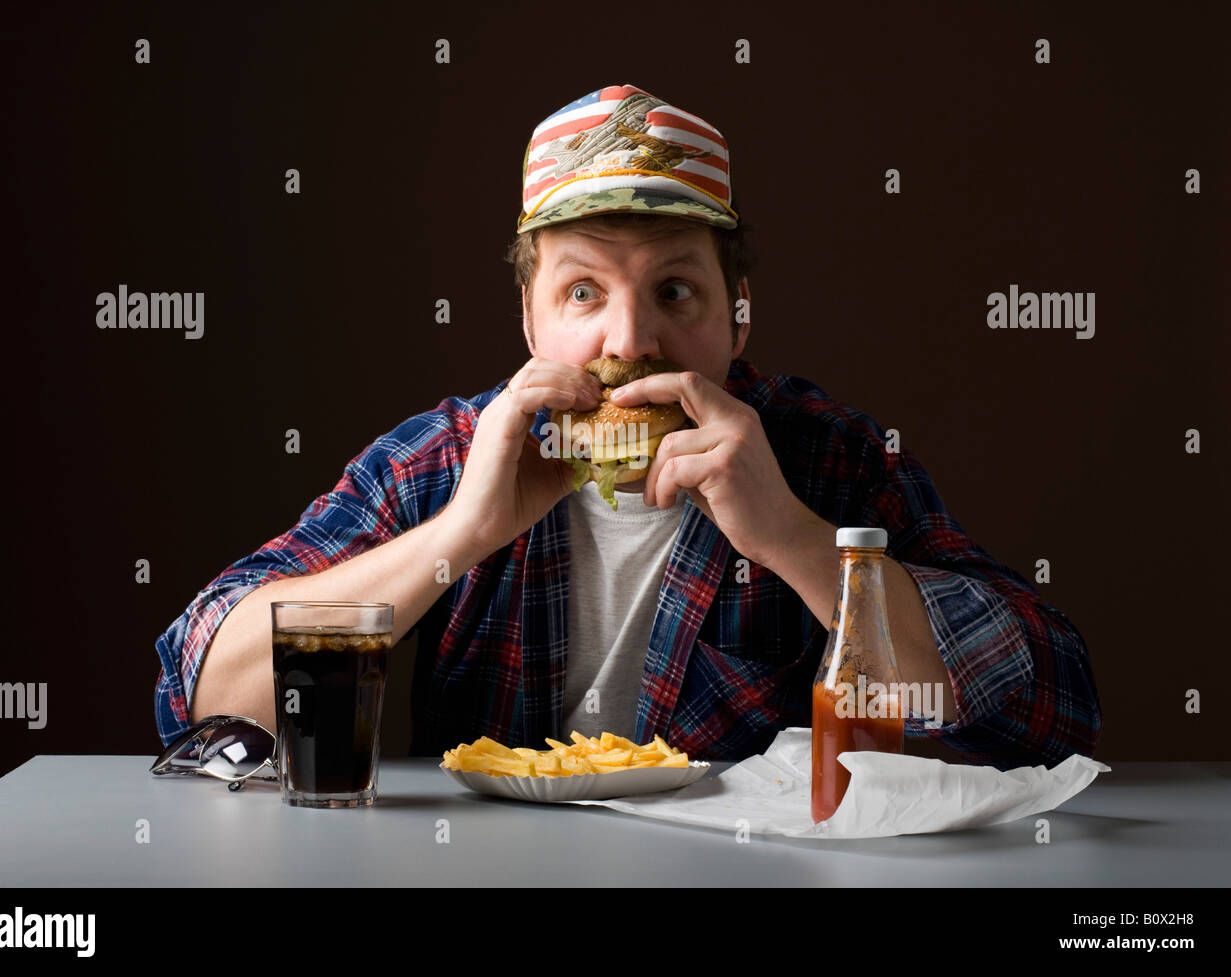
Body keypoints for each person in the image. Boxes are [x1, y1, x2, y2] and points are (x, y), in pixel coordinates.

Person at [154, 83, 1101, 767]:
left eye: (675, 290)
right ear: (530, 318)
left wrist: (797, 543)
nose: (629, 339)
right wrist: (459, 536)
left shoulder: (823, 455)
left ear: (738, 315)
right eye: (582, 291)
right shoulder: (451, 457)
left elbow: (1054, 705)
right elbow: (201, 696)